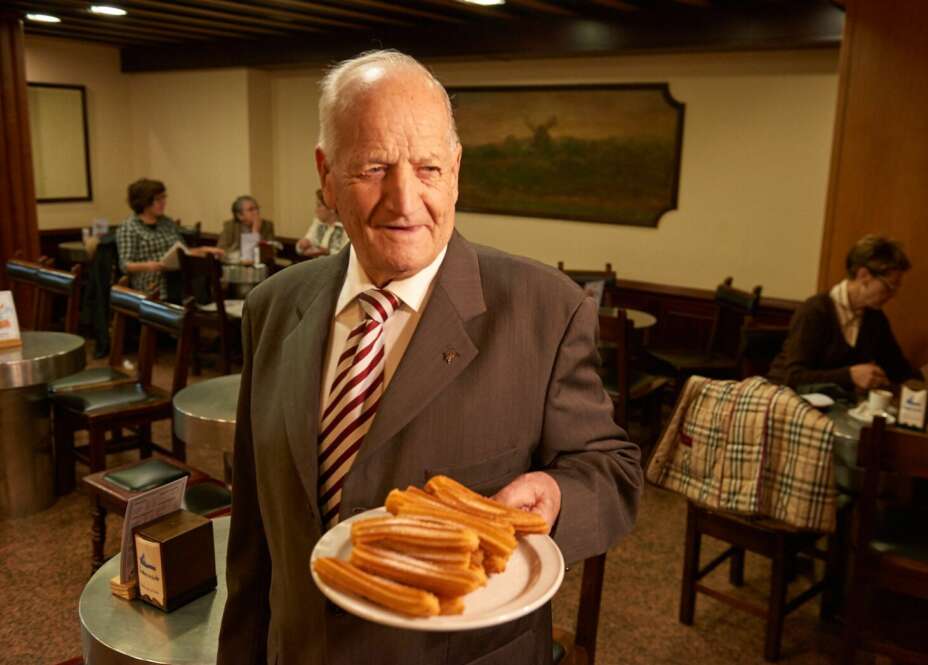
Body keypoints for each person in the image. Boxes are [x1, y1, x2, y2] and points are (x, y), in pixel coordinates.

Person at [218, 50, 642, 665]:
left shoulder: (546, 311)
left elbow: (612, 467)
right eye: (373, 167)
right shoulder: (272, 308)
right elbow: (256, 532)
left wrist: (556, 492)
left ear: (457, 172)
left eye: (428, 167)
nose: (404, 200)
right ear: (327, 174)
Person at [768, 234, 913, 391]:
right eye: (889, 287)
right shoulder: (815, 311)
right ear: (864, 276)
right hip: (785, 399)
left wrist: (927, 388)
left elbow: (898, 368)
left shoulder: (874, 317)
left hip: (830, 405)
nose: (892, 295)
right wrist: (850, 376)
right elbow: (794, 377)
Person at [116, 178, 222, 299]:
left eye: (164, 197)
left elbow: (183, 251)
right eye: (158, 199)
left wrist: (204, 250)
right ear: (144, 202)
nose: (163, 202)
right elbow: (125, 265)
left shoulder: (166, 222)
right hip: (152, 285)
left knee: (203, 280)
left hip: (178, 278)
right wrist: (149, 265)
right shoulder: (129, 227)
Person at [216, 195, 278, 263]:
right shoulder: (230, 226)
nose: (256, 212)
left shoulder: (267, 225)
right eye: (251, 209)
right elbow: (220, 250)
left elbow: (271, 252)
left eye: (257, 208)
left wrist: (255, 232)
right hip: (234, 266)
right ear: (240, 216)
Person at [297, 188, 349, 257]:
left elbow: (346, 256)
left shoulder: (346, 228)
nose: (316, 210)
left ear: (332, 208)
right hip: (317, 265)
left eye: (319, 206)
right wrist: (302, 245)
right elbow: (300, 248)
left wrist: (326, 252)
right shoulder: (318, 223)